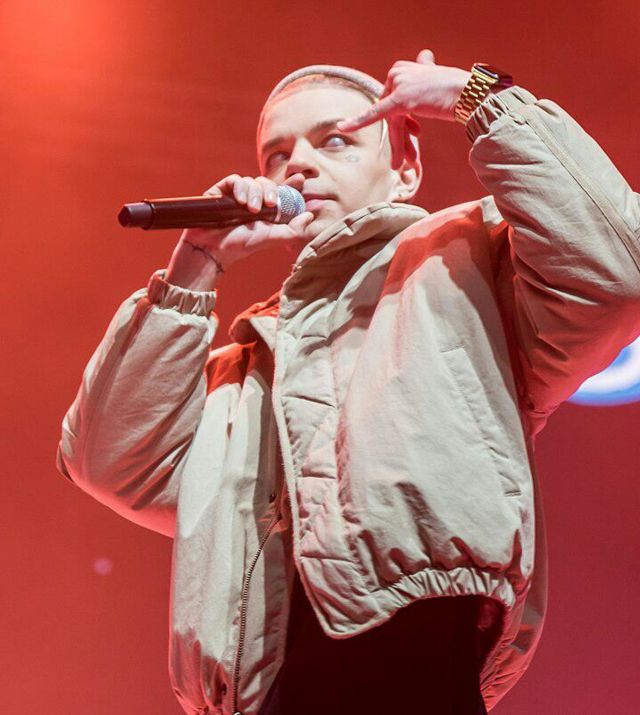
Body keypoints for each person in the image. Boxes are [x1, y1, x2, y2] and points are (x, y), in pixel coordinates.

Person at [56, 49, 640, 715]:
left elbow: (616, 272)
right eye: (277, 155)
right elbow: (108, 462)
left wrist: (475, 94)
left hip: (417, 680)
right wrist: (195, 264)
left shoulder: (472, 266)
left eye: (335, 140)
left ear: (405, 170)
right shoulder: (245, 369)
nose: (298, 166)